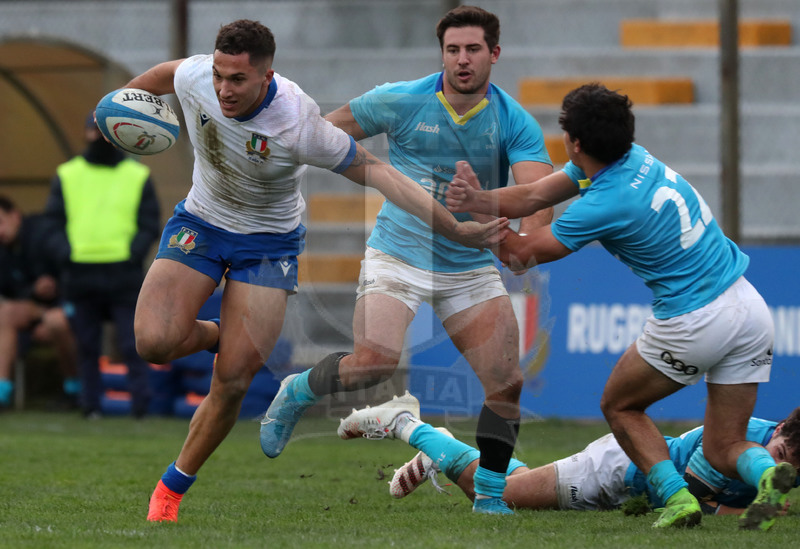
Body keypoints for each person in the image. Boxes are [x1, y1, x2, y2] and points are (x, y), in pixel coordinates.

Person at [123, 19, 506, 523]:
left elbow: (383, 175)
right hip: (201, 220)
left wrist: (455, 230)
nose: (223, 89)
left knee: (234, 380)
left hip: (267, 243)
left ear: (267, 76)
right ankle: (223, 333)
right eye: (219, 76)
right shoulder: (199, 77)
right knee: (153, 343)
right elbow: (167, 73)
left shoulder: (298, 123)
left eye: (237, 79)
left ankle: (170, 491)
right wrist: (121, 101)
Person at [444, 82, 797, 530]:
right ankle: (769, 474)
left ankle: (676, 498)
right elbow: (534, 196)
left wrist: (474, 221)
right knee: (724, 445)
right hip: (750, 308)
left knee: (621, 406)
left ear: (574, 143)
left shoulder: (605, 202)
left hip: (695, 316)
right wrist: (479, 199)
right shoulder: (632, 158)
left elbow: (518, 255)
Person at [259, 5, 553, 516]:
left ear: (495, 55)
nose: (462, 60)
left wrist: (520, 237)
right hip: (398, 253)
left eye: (473, 50)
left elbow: (539, 200)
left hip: (468, 266)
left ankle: (488, 497)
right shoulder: (401, 99)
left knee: (506, 383)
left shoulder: (513, 121)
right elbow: (323, 135)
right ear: (442, 53)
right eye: (453, 50)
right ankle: (298, 390)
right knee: (374, 364)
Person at [340, 395, 800, 522]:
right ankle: (408, 425)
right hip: (618, 471)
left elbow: (734, 512)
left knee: (518, 483)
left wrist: (753, 510)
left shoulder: (772, 463)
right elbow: (702, 499)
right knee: (507, 495)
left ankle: (438, 449)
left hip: (627, 484)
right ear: (777, 431)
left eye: (791, 473)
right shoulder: (742, 436)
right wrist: (750, 507)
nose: (780, 471)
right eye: (779, 457)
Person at [44, 114, 161, 419]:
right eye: (94, 130)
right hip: (80, 273)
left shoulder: (137, 174)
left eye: (106, 131)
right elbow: (53, 223)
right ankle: (90, 405)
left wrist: (133, 254)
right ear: (85, 133)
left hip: (123, 273)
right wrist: (66, 253)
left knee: (132, 343)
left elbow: (149, 224)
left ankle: (140, 407)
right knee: (86, 345)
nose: (99, 137)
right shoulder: (67, 174)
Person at [0, 195, 79, 409]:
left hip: (70, 306)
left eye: (1, 222)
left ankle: (75, 389)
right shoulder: (4, 249)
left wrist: (55, 287)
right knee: (5, 312)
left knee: (55, 322)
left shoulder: (44, 232)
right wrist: (32, 290)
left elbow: (71, 265)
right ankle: (2, 390)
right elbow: (7, 289)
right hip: (34, 311)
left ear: (15, 216)